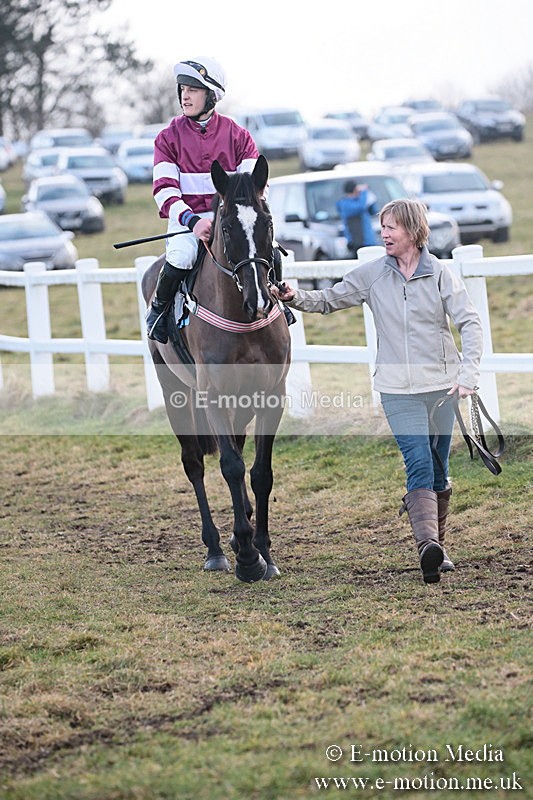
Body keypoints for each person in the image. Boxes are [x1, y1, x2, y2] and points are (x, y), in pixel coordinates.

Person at [272, 198, 483, 584]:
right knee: (418, 460)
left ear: (414, 232)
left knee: (439, 466)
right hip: (396, 389)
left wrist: (468, 374)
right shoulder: (372, 275)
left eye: (392, 227)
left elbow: (470, 323)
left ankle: (436, 545)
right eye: (382, 226)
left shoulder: (440, 274)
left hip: (442, 388)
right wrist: (293, 297)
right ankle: (427, 550)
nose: (384, 233)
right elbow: (330, 299)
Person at [147, 57, 260, 343]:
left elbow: (257, 188)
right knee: (182, 256)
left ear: (211, 94)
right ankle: (158, 312)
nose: (185, 95)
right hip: (187, 224)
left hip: (231, 221)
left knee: (265, 249)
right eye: (182, 88)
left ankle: (278, 305)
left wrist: (231, 218)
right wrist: (193, 221)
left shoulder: (239, 136)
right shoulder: (167, 138)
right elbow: (164, 191)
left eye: (193, 89)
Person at [336, 179, 377, 257]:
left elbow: (373, 211)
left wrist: (369, 195)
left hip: (368, 242)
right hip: (356, 244)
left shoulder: (361, 201)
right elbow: (360, 207)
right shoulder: (344, 204)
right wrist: (364, 192)